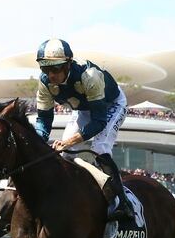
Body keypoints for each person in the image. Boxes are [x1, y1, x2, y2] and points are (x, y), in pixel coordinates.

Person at [34, 38, 135, 222]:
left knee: (100, 148)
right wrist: (37, 143)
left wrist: (67, 142)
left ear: (68, 64)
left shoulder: (89, 75)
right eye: (45, 68)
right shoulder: (44, 82)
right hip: (83, 108)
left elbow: (98, 121)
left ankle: (123, 203)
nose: (51, 74)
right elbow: (44, 119)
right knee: (66, 155)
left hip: (109, 104)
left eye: (55, 68)